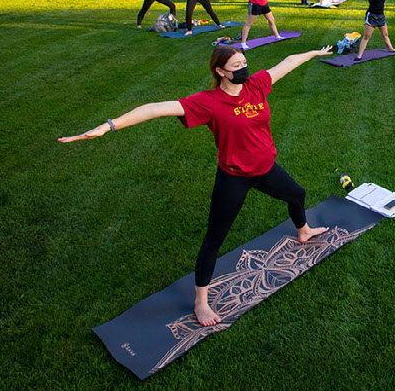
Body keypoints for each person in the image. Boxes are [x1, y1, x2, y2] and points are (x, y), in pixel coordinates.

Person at [58, 44, 334, 326]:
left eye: (244, 63)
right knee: (214, 239)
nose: (243, 69)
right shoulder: (209, 102)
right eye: (236, 66)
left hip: (265, 169)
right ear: (220, 71)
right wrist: (108, 126)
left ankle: (303, 231)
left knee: (297, 194)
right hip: (234, 177)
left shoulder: (256, 85)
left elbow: (287, 63)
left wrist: (313, 53)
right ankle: (200, 302)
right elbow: (154, 109)